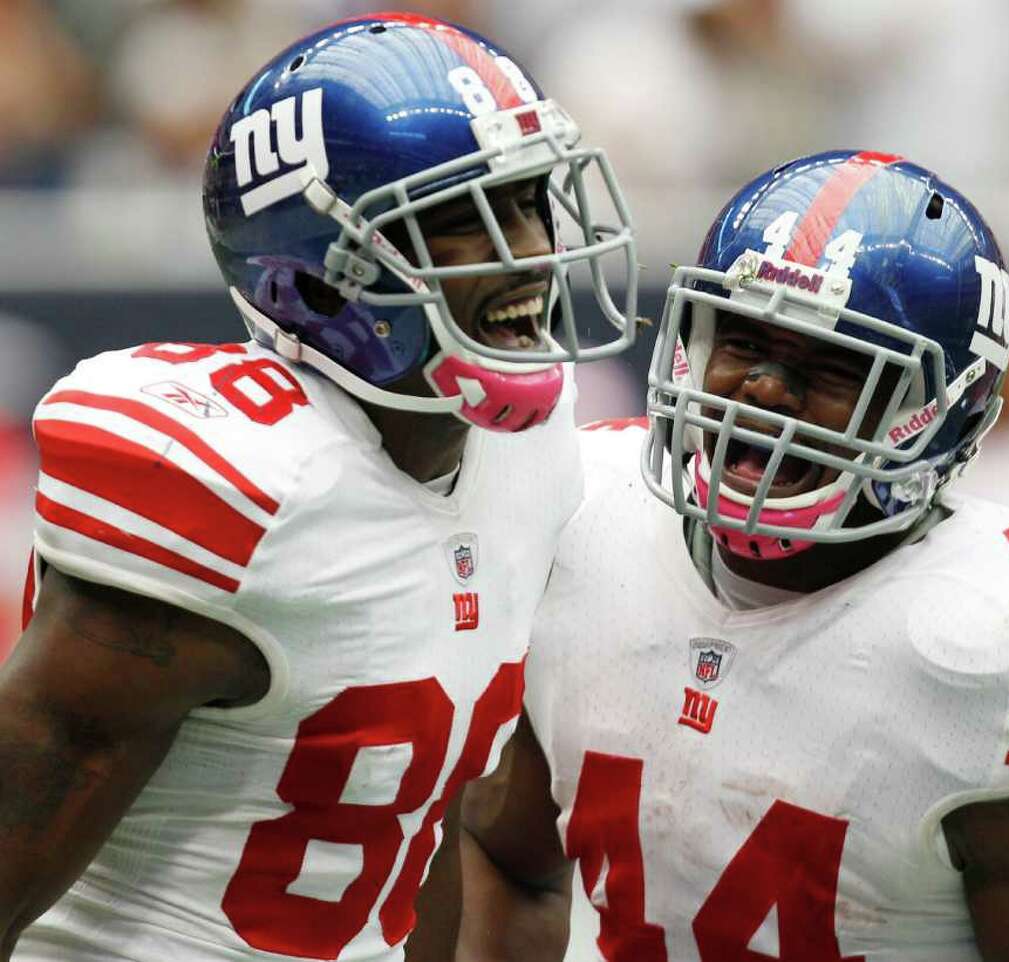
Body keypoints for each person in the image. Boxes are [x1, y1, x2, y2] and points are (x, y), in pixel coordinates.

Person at [0, 11, 638, 962]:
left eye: (528, 201)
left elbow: (412, 835)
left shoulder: (529, 454)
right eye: (460, 221)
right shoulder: (236, 494)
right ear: (321, 279)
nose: (530, 251)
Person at [458, 151, 1009, 962]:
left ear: (941, 415)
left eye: (834, 366)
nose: (762, 390)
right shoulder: (584, 516)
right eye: (741, 341)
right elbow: (507, 859)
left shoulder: (987, 647)